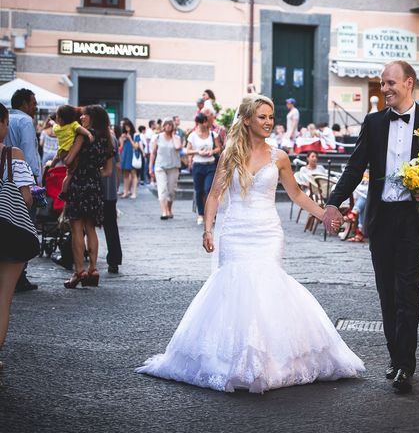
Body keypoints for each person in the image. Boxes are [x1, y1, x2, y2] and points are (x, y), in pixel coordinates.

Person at [137, 94, 364, 393]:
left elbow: (296, 194)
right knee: (234, 289)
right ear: (246, 120)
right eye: (262, 117)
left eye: (271, 117)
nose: (269, 122)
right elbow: (215, 195)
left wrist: (324, 215)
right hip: (235, 231)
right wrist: (207, 228)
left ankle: (269, 360)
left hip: (267, 232)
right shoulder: (230, 154)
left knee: (266, 287)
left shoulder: (279, 157)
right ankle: (234, 360)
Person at [323, 60, 419, 393]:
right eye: (382, 84)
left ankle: (406, 367)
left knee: (407, 292)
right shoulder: (374, 122)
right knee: (386, 292)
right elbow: (355, 167)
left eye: (391, 83)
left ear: (409, 83)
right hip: (381, 221)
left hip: (413, 221)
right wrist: (333, 202)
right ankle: (395, 357)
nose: (385, 90)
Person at [62, 105, 114, 289]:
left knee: (77, 228)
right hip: (95, 186)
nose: (82, 117)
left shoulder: (83, 135)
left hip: (78, 183)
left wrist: (66, 158)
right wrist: (93, 172)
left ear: (91, 117)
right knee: (91, 228)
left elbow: (68, 160)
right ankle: (93, 270)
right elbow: (107, 171)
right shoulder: (107, 139)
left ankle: (79, 272)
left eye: (85, 114)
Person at [0, 103, 35, 369]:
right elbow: (25, 197)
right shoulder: (13, 155)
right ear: (3, 124)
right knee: (3, 298)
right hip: (8, 231)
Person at [6, 88, 41, 292]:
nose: (35, 106)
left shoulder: (7, 119)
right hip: (23, 180)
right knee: (26, 226)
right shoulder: (26, 121)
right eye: (33, 102)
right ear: (24, 104)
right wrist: (34, 182)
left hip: (6, 179)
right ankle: (20, 275)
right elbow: (28, 152)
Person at [186, 113, 222, 225]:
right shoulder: (192, 135)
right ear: (199, 123)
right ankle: (201, 214)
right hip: (198, 165)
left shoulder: (213, 134)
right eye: (202, 122)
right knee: (199, 191)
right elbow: (188, 151)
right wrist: (198, 152)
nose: (205, 124)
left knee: (208, 190)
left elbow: (219, 148)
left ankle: (212, 214)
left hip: (210, 165)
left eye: (206, 122)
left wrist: (212, 151)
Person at [52, 105, 94, 200]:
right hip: (68, 152)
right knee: (70, 174)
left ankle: (63, 192)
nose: (81, 117)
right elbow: (80, 129)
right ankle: (63, 192)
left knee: (68, 174)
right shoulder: (73, 126)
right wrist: (88, 133)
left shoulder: (56, 128)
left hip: (61, 152)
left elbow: (53, 124)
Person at [148, 117, 182, 220]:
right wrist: (150, 167)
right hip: (160, 167)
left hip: (173, 167)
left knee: (171, 191)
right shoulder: (157, 137)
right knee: (162, 189)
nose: (168, 126)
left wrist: (173, 135)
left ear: (173, 126)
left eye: (170, 124)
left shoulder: (176, 138)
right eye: (166, 124)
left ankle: (169, 209)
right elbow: (153, 153)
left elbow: (178, 147)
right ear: (163, 126)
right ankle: (164, 211)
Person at [102, 131, 122, 274]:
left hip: (90, 188)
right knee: (111, 226)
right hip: (109, 190)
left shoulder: (86, 136)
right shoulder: (112, 138)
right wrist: (116, 185)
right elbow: (118, 165)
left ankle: (71, 255)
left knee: (83, 225)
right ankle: (114, 260)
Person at [119, 118, 139, 199]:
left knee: (133, 174)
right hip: (125, 155)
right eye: (125, 127)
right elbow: (121, 147)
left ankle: (134, 192)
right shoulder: (123, 135)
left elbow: (136, 147)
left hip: (132, 156)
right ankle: (126, 192)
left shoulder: (136, 135)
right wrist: (122, 139)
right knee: (126, 174)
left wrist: (130, 138)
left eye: (128, 126)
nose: (127, 128)